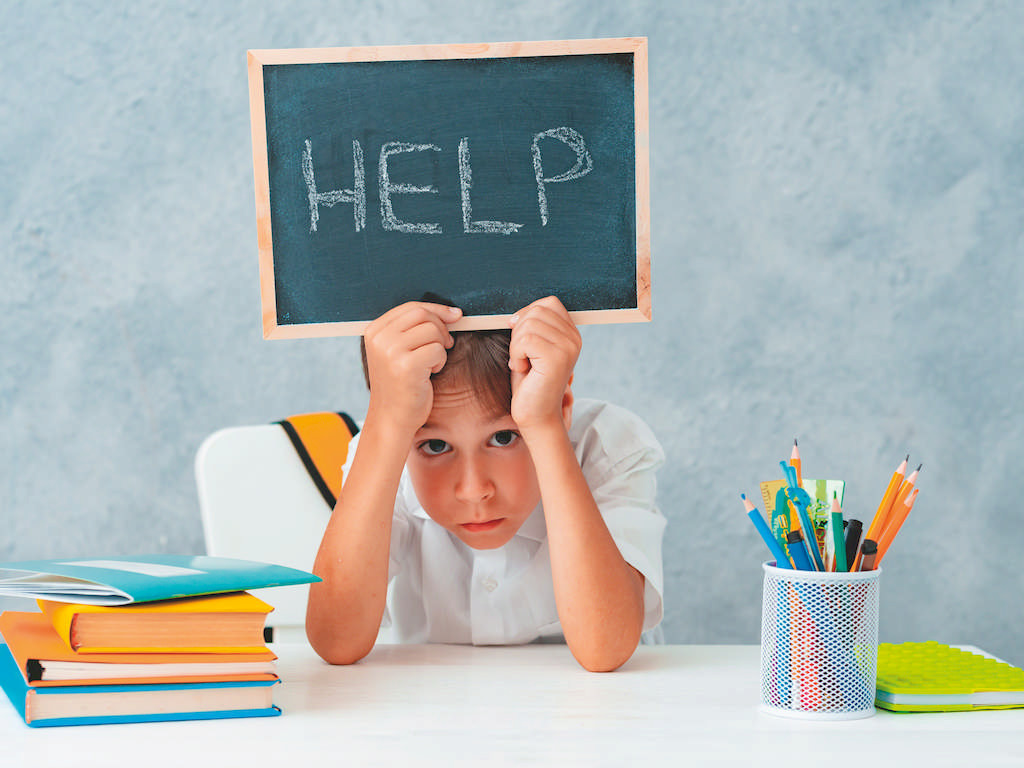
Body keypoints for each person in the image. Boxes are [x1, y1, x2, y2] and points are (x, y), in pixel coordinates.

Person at [306, 296, 666, 672]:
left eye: (504, 438)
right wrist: (387, 424)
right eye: (436, 446)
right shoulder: (385, 445)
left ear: (563, 404)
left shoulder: (608, 446)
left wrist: (545, 425)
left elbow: (605, 649)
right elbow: (336, 641)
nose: (474, 490)